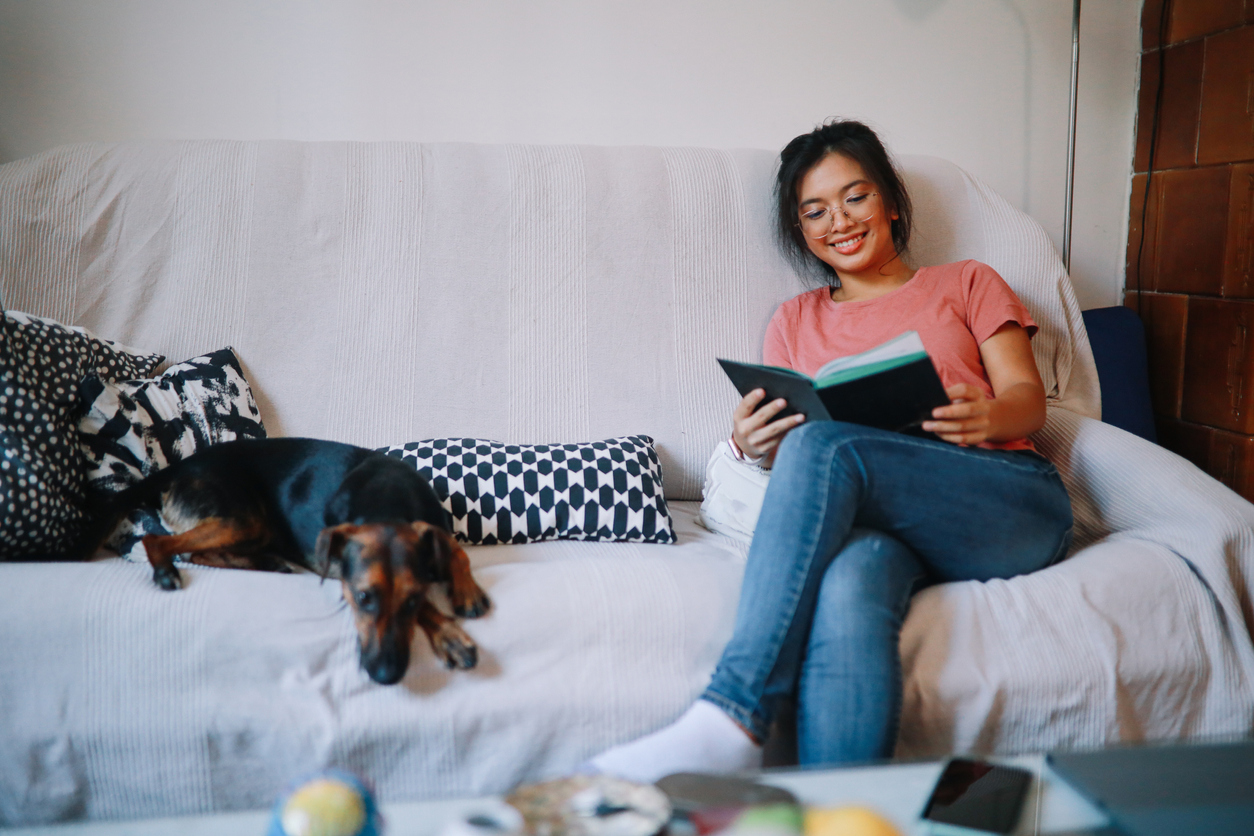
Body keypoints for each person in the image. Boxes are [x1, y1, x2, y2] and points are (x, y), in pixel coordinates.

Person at [588, 119, 1073, 781]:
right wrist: (756, 447)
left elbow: (1029, 398)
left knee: (828, 444)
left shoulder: (967, 281)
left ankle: (732, 713)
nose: (837, 221)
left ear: (891, 202)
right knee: (851, 578)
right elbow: (803, 466)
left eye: (854, 197)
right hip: (888, 525)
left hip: (1004, 499)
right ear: (800, 230)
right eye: (813, 211)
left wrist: (988, 414)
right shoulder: (795, 320)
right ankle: (844, 809)